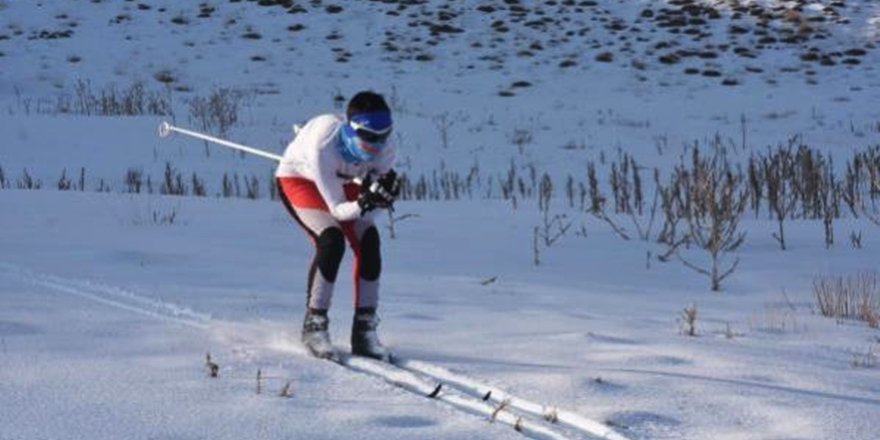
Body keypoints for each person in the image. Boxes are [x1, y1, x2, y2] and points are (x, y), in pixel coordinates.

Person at [275, 91, 400, 361]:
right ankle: (314, 325)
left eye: (384, 135)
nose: (376, 145)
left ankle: (364, 330)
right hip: (301, 180)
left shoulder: (387, 148)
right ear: (351, 128)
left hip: (343, 184)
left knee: (369, 241)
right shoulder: (324, 146)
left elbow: (366, 217)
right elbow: (337, 211)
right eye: (368, 137)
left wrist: (379, 199)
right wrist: (365, 203)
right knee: (331, 240)